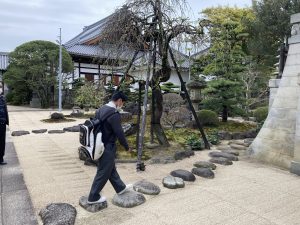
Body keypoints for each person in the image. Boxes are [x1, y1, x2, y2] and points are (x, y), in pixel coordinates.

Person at [87, 91, 132, 204]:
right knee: (103, 171)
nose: (122, 105)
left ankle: (120, 188)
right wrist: (126, 147)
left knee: (110, 168)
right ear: (119, 100)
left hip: (98, 144)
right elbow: (119, 133)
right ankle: (93, 196)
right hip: (107, 146)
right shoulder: (114, 114)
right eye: (123, 103)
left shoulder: (101, 109)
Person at [0, 87, 9, 165]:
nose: (0, 89)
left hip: (2, 124)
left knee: (2, 142)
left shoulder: (2, 98)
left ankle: (1, 158)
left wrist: (6, 121)